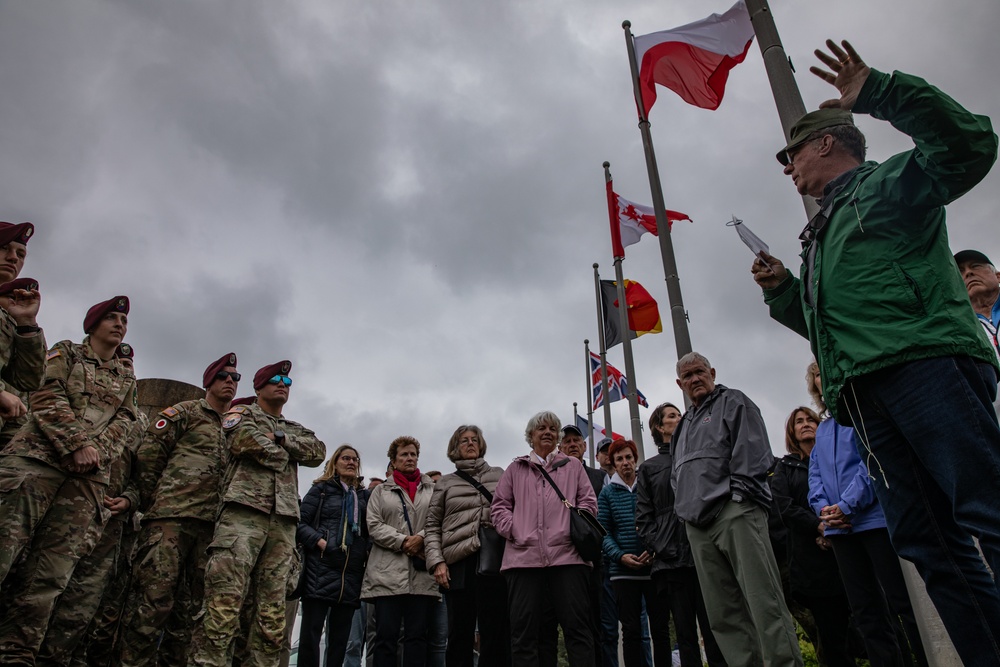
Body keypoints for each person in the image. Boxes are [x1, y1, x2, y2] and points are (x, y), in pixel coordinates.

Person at [751, 38, 1000, 660]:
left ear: (827, 142)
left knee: (987, 509)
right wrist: (785, 292)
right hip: (865, 395)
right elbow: (833, 325)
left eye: (792, 152)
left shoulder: (889, 182)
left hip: (927, 368)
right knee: (926, 544)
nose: (787, 167)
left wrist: (883, 91)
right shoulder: (820, 232)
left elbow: (968, 146)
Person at [0, 295, 139, 662]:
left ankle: (16, 653)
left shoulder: (126, 375)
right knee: (5, 548)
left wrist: (95, 454)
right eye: (111, 318)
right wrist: (76, 444)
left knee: (50, 574)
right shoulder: (66, 353)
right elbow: (46, 393)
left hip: (86, 483)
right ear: (91, 325)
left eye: (123, 320)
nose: (119, 324)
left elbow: (126, 421)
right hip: (37, 463)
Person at [189, 360, 326, 666]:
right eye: (276, 379)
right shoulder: (242, 414)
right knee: (223, 606)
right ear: (258, 386)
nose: (283, 384)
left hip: (283, 523)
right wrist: (285, 450)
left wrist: (282, 440)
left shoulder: (293, 428)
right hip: (242, 516)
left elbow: (317, 451)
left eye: (287, 382)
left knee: (271, 615)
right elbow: (244, 440)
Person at [672, 352, 801, 666]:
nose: (694, 379)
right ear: (680, 384)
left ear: (712, 372)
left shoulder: (734, 401)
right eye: (687, 376)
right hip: (697, 526)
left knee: (763, 601)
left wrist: (738, 499)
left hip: (734, 512)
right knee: (722, 615)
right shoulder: (684, 423)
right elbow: (678, 474)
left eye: (699, 372)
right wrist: (686, 511)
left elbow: (752, 453)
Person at [119, 352, 241, 667]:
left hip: (211, 530)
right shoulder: (185, 412)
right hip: (170, 522)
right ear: (209, 382)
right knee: (151, 603)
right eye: (224, 377)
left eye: (235, 378)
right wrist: (153, 500)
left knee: (189, 614)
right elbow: (150, 456)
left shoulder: (235, 428)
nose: (230, 381)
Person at [805, 363, 927, 667]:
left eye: (825, 369)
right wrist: (823, 509)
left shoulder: (860, 413)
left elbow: (871, 461)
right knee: (865, 612)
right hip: (840, 532)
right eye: (817, 373)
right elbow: (814, 476)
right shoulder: (822, 429)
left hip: (874, 522)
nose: (823, 376)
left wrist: (847, 506)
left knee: (902, 603)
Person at [36, 343, 145, 666]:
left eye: (128, 363)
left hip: (106, 520)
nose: (122, 367)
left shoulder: (138, 423)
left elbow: (147, 473)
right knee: (40, 584)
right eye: (118, 361)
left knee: (82, 603)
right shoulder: (73, 387)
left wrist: (130, 499)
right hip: (64, 502)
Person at [491, 411, 597, 667]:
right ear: (531, 436)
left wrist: (572, 529)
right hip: (523, 562)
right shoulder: (515, 469)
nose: (547, 432)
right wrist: (514, 529)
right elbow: (499, 507)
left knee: (578, 632)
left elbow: (589, 503)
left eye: (552, 428)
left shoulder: (573, 467)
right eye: (541, 428)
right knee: (524, 635)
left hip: (568, 559)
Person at [636, 402, 725, 667]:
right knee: (685, 634)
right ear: (659, 427)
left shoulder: (698, 457)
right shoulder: (649, 468)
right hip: (672, 562)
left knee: (716, 628)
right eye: (673, 416)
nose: (681, 417)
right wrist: (664, 547)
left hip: (705, 555)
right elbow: (643, 518)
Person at [771, 407, 855, 667]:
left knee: (867, 624)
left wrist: (836, 525)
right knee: (830, 637)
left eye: (811, 420)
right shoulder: (784, 467)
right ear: (791, 432)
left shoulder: (836, 457)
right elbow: (784, 506)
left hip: (849, 548)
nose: (806, 424)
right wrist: (818, 528)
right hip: (812, 560)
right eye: (799, 421)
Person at [425, 425, 509, 667]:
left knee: (494, 633)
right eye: (464, 441)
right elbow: (432, 526)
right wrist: (437, 561)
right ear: (455, 448)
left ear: (481, 445)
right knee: (459, 635)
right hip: (458, 564)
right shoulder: (446, 483)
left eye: (474, 439)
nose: (470, 443)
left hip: (493, 560)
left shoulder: (500, 474)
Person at [361, 435, 438, 667]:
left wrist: (421, 539)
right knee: (386, 638)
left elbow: (438, 520)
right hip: (387, 574)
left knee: (417, 637)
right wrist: (404, 541)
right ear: (393, 461)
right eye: (404, 454)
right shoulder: (380, 492)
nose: (410, 458)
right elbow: (373, 525)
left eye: (413, 454)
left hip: (421, 576)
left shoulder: (432, 489)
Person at [296, 444, 370, 667]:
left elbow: (369, 531)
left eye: (355, 459)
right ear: (335, 463)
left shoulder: (363, 496)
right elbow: (299, 523)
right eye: (345, 458)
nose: (351, 462)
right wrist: (321, 542)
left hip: (349, 575)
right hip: (319, 570)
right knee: (310, 637)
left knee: (339, 641)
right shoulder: (320, 490)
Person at [597, 438, 669, 667]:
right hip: (623, 572)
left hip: (654, 569)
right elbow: (603, 531)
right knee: (631, 631)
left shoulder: (648, 485)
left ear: (635, 459)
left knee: (660, 629)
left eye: (628, 457)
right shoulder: (607, 493)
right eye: (619, 459)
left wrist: (654, 549)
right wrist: (619, 556)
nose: (625, 462)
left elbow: (661, 520)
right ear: (613, 464)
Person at [558, 425, 621, 667]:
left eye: (577, 441)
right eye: (567, 442)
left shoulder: (598, 477)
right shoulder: (552, 475)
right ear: (560, 448)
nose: (572, 444)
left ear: (585, 447)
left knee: (599, 624)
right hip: (563, 559)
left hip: (595, 561)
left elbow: (608, 515)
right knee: (572, 625)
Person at [0, 223, 45, 447]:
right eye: (4, 248)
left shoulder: (7, 320)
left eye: (20, 254)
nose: (12, 258)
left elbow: (27, 381)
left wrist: (27, 324)